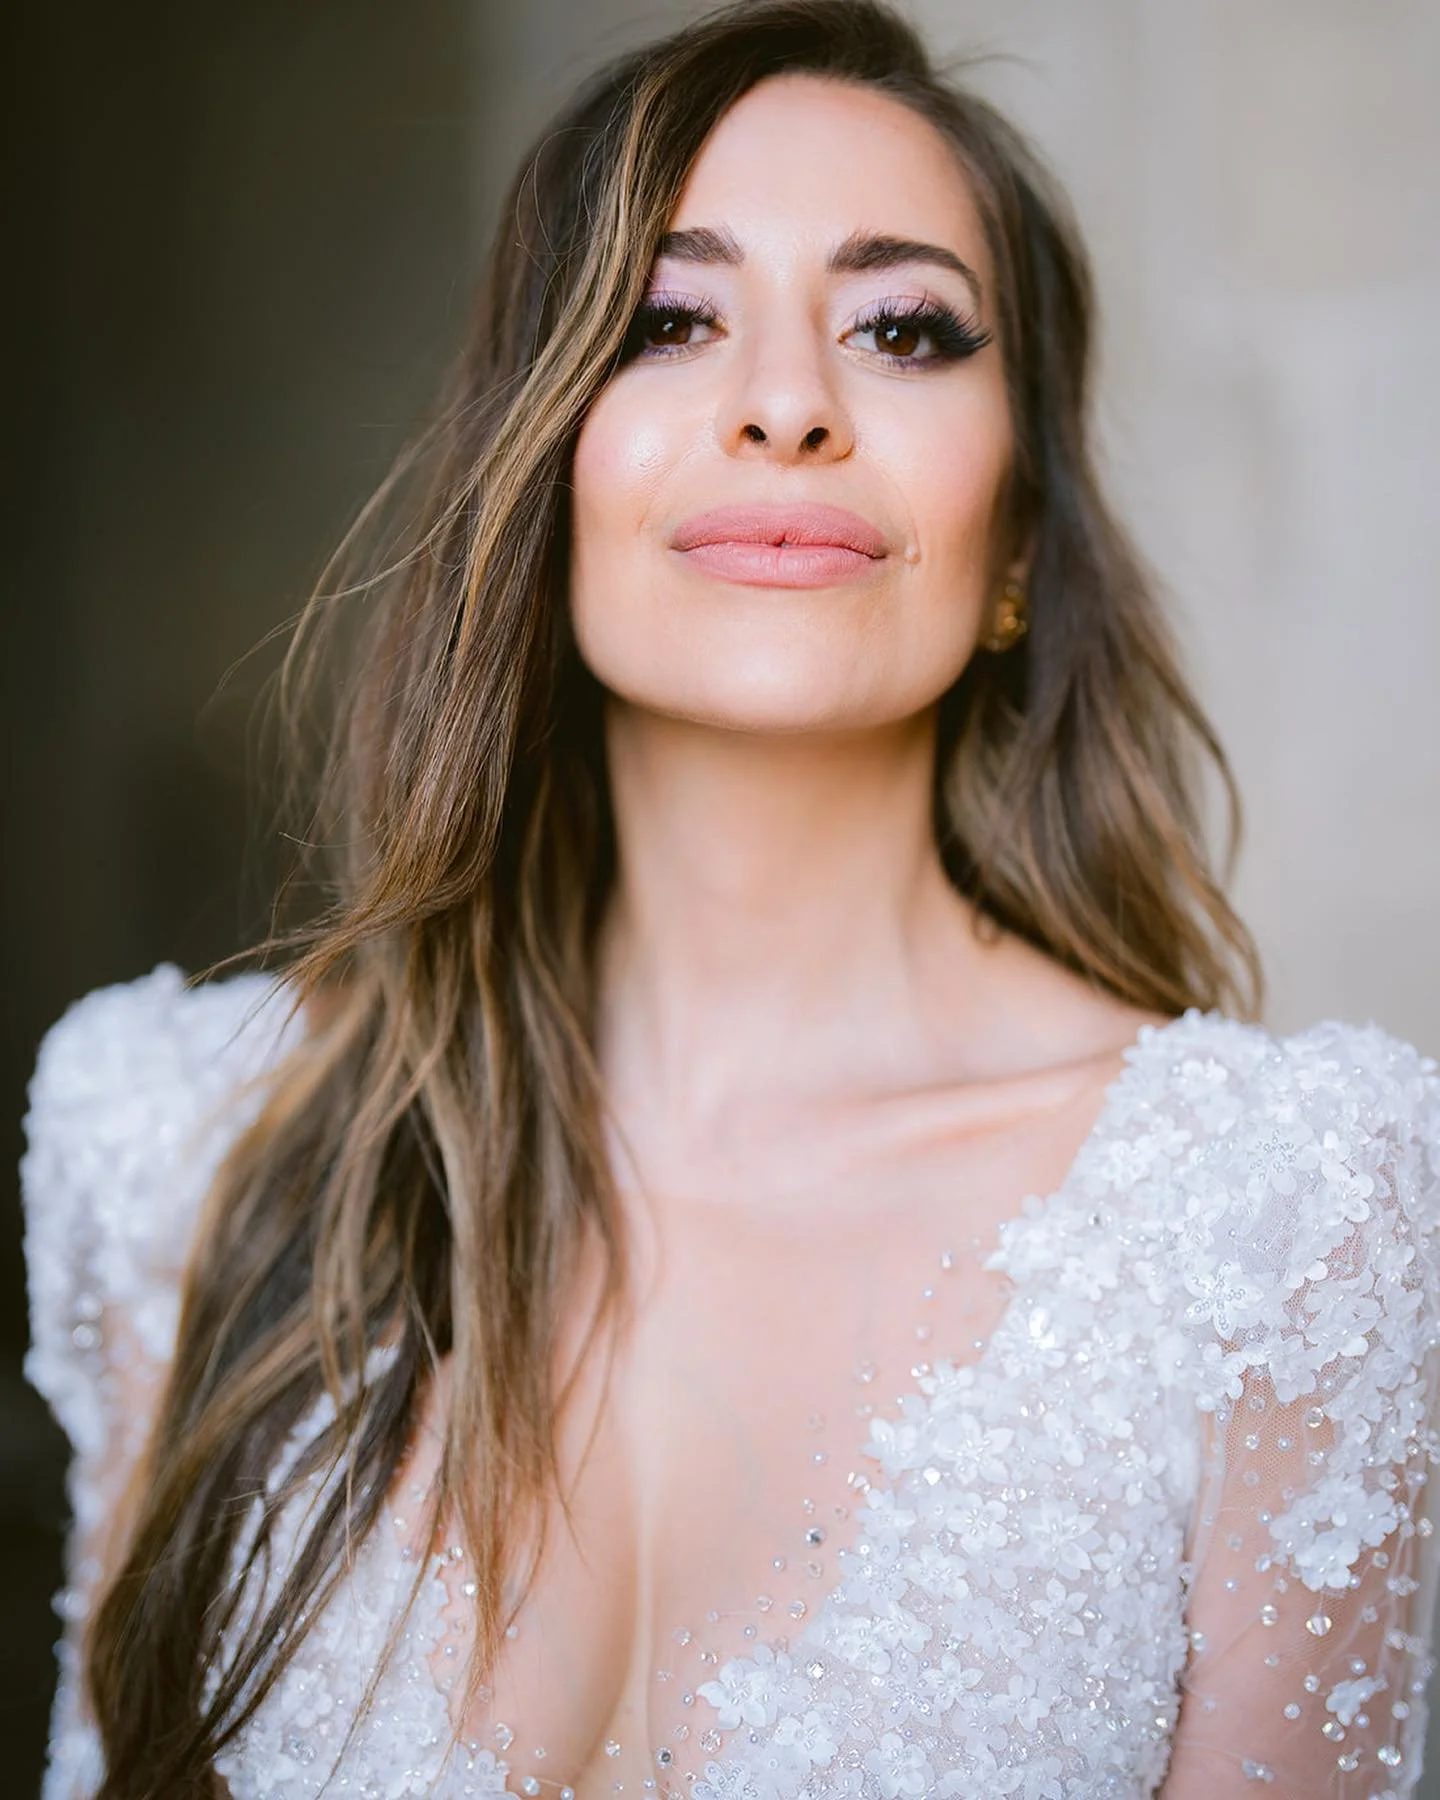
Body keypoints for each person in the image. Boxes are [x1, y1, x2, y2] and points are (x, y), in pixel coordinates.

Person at [21, 2, 1440, 1795]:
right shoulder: (175, 1139)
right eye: (669, 320)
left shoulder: (1280, 1216)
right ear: (537, 474)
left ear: (1015, 541)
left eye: (904, 328)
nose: (787, 404)